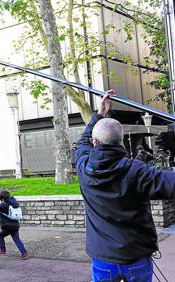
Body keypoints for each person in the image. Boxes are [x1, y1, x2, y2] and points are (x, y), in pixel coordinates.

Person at [75, 89, 175, 282]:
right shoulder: (138, 171)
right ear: (121, 141)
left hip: (104, 259)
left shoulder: (83, 165)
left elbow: (82, 142)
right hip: (136, 257)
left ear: (95, 142)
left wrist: (100, 113)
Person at [0, 190, 28, 260]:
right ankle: (24, 252)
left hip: (8, 226)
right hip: (15, 225)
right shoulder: (14, 203)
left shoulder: (4, 205)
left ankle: (3, 250)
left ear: (3, 199)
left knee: (0, 235)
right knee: (16, 239)